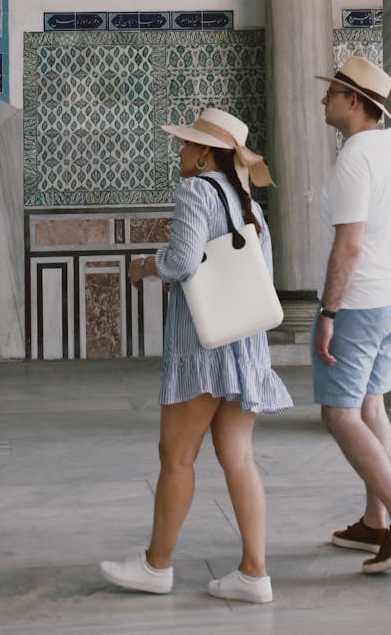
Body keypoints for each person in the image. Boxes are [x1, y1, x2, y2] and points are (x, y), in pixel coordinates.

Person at [99, 107, 292, 603]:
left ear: (205, 153)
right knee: (239, 457)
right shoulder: (247, 199)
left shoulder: (194, 190)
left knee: (176, 456)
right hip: (244, 344)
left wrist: (143, 266)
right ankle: (254, 574)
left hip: (203, 349)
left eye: (186, 144)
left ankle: (156, 566)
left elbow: (183, 262)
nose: (180, 152)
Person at [312, 55, 391, 574]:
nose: (324, 99)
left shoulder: (356, 157)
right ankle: (374, 523)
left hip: (360, 303)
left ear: (354, 102)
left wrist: (327, 311)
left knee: (338, 414)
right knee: (372, 407)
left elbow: (349, 245)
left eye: (332, 92)